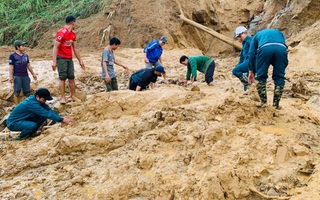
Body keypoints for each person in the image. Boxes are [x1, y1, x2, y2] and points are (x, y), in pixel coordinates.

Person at [6, 88, 72, 141]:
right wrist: (62, 120)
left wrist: (60, 118)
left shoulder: (37, 100)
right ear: (38, 97)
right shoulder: (32, 104)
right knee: (32, 125)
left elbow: (48, 110)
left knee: (42, 117)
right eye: (44, 99)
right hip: (13, 123)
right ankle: (21, 138)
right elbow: (46, 113)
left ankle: (31, 133)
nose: (45, 101)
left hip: (23, 119)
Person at [247, 29, 288, 109]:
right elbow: (283, 46)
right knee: (279, 77)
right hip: (281, 49)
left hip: (264, 49)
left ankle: (264, 104)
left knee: (261, 77)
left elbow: (251, 54)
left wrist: (251, 70)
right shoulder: (279, 33)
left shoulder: (256, 36)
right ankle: (276, 105)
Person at [52, 15, 85, 104]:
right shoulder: (61, 32)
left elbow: (75, 48)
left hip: (69, 58)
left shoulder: (73, 34)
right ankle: (63, 98)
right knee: (62, 78)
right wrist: (54, 61)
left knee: (71, 77)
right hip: (61, 58)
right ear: (73, 23)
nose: (75, 25)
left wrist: (80, 60)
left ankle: (73, 95)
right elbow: (55, 47)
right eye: (75, 23)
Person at [9, 40, 37, 105]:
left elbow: (28, 65)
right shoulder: (12, 56)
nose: (24, 47)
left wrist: (33, 74)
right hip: (17, 76)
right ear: (18, 47)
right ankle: (17, 106)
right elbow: (11, 66)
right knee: (17, 92)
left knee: (27, 92)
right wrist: (10, 76)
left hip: (25, 76)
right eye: (22, 46)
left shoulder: (25, 55)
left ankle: (27, 106)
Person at [232, 26, 252, 91]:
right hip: (249, 63)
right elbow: (242, 58)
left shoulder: (250, 40)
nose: (238, 39)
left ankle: (249, 85)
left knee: (235, 71)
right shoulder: (244, 44)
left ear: (241, 34)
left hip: (251, 62)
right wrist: (238, 66)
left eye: (238, 37)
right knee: (247, 80)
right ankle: (250, 92)